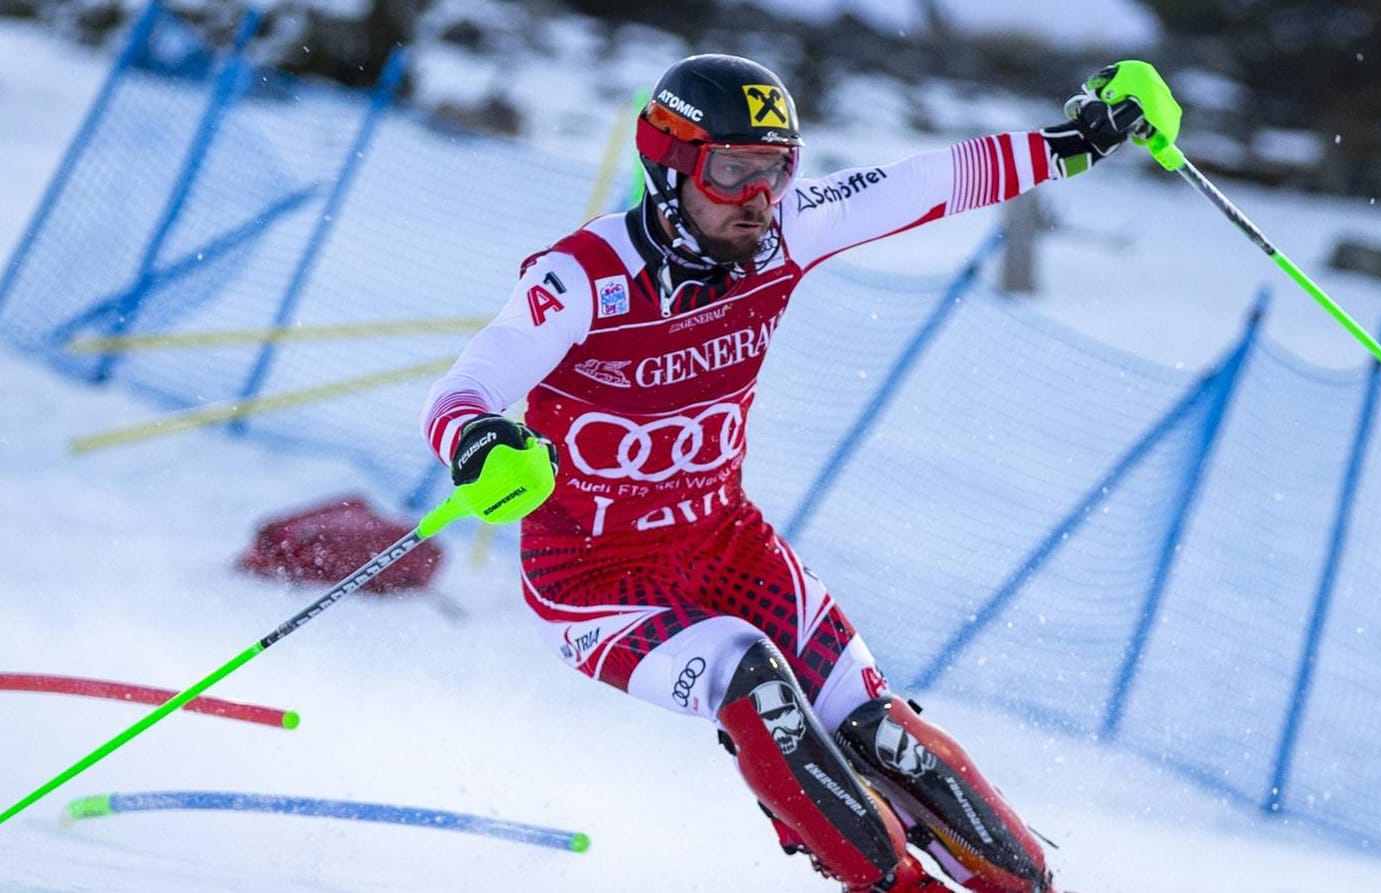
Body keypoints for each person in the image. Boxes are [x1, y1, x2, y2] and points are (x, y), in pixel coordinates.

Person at [423, 54, 1180, 893]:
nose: (759, 195)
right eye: (733, 170)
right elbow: (468, 385)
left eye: (777, 169)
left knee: (882, 735)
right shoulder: (583, 277)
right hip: (595, 582)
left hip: (728, 550)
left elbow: (924, 182)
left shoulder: (781, 232)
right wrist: (482, 440)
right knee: (747, 675)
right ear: (670, 167)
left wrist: (1078, 140)